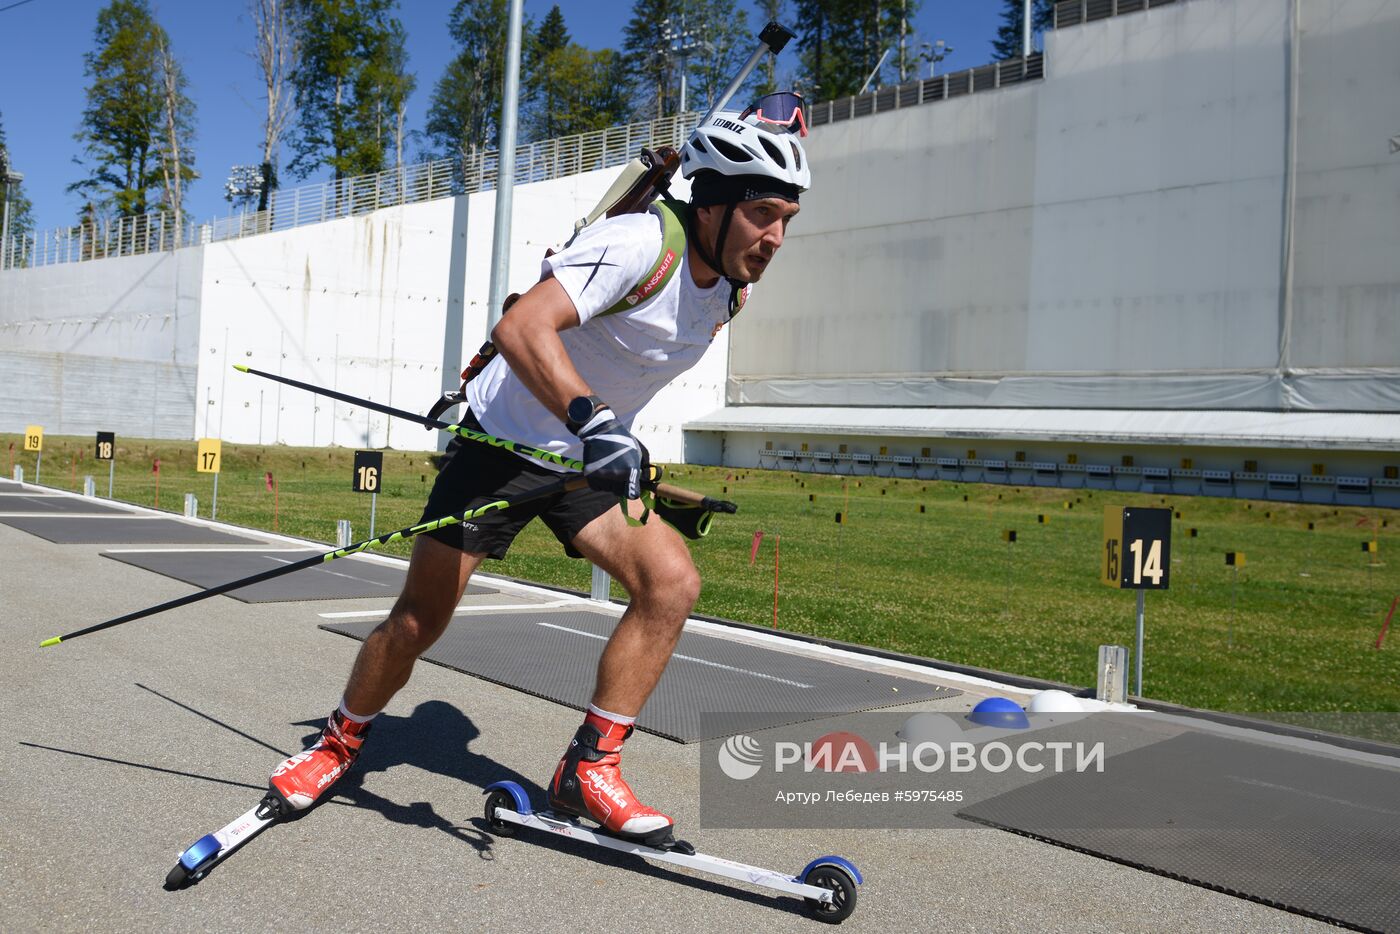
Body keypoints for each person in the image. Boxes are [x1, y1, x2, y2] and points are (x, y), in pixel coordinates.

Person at [268, 102, 811, 845]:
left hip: (581, 464)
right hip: (502, 450)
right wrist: (593, 422)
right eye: (761, 213)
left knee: (672, 583)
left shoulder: (731, 292)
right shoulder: (639, 243)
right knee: (418, 621)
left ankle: (589, 768)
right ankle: (338, 742)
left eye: (787, 218)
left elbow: (624, 361)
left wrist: (618, 441)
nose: (775, 236)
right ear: (711, 203)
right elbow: (521, 327)